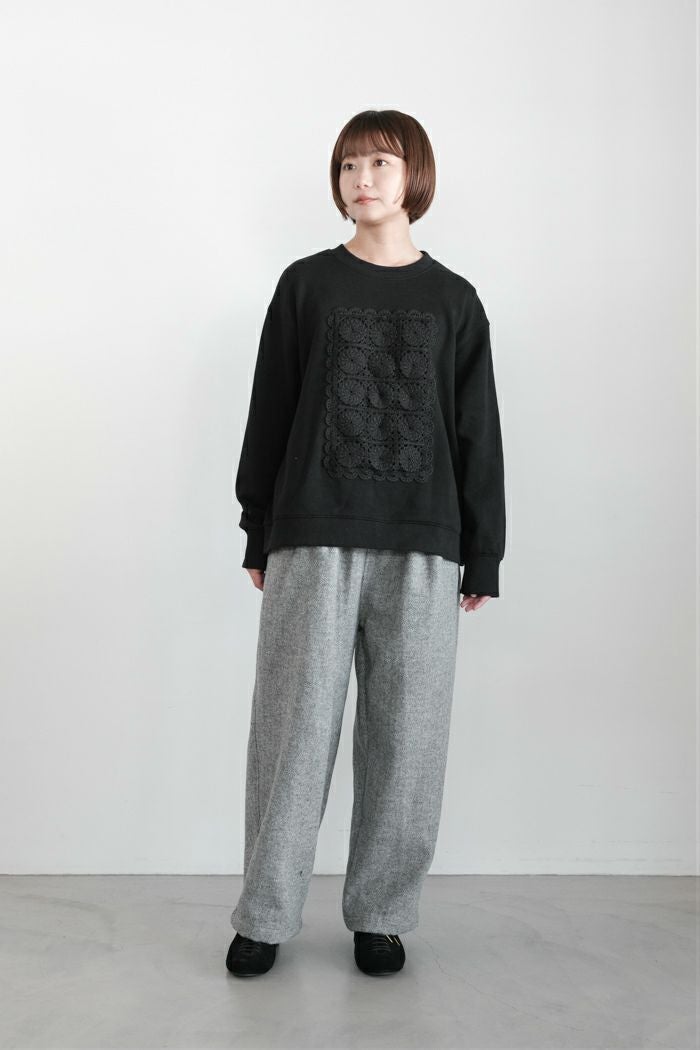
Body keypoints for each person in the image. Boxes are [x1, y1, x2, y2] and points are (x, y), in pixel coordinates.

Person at [226, 109, 506, 978]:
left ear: (414, 174)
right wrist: (258, 526)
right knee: (292, 733)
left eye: (380, 162)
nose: (362, 179)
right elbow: (271, 408)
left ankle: (381, 915)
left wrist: (485, 550)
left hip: (423, 543)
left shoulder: (455, 300)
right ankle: (266, 914)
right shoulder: (305, 286)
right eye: (349, 165)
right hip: (312, 533)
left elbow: (477, 431)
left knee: (408, 738)